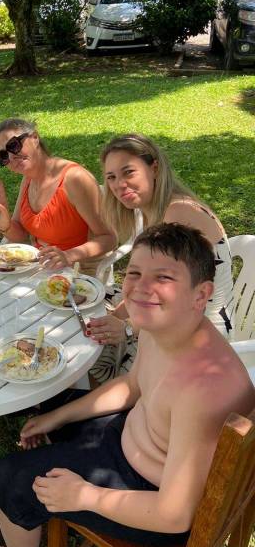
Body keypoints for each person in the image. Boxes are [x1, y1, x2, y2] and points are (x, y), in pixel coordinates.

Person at [0, 223, 255, 547]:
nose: (141, 287)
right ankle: (56, 487)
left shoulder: (202, 389)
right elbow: (132, 387)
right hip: (131, 439)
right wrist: (56, 417)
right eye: (135, 273)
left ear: (201, 294)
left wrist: (86, 496)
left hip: (152, 501)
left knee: (8, 478)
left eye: (163, 277)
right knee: (51, 404)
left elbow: (175, 515)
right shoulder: (165, 327)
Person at [88, 134, 234, 383]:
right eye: (111, 177)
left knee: (95, 350)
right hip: (168, 316)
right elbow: (149, 288)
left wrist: (126, 326)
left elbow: (173, 301)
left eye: (128, 172)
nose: (119, 184)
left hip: (197, 337)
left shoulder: (178, 213)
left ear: (154, 168)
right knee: (96, 312)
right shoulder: (152, 211)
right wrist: (116, 318)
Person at [0, 118, 115, 271]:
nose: (11, 157)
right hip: (40, 268)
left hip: (77, 271)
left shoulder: (75, 179)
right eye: (3, 156)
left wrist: (68, 256)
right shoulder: (28, 180)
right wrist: (5, 225)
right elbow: (20, 235)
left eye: (13, 145)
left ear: (35, 138)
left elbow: (109, 238)